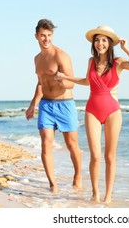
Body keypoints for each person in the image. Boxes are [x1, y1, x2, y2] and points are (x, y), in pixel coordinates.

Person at [54, 25, 129, 204]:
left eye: (104, 40)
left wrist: (126, 49)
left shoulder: (118, 62)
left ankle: (108, 196)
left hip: (112, 111)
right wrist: (65, 77)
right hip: (92, 110)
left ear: (110, 43)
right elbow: (88, 81)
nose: (100, 43)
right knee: (95, 156)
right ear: (93, 43)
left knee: (110, 156)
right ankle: (95, 194)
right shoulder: (91, 61)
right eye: (97, 40)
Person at [26, 19, 82, 193]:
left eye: (49, 35)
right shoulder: (37, 59)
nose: (46, 39)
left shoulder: (61, 56)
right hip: (46, 106)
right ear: (36, 36)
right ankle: (53, 185)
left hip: (64, 104)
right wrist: (33, 104)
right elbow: (40, 83)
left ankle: (78, 176)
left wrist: (63, 81)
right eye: (42, 36)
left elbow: (72, 83)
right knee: (45, 144)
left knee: (71, 144)